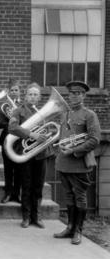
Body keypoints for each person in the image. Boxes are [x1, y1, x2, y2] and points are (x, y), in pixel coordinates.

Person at [54, 81, 101, 245]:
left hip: (79, 163)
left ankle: (79, 231)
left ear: (84, 95)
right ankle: (70, 227)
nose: (73, 96)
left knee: (80, 198)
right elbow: (62, 138)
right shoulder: (65, 115)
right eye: (71, 93)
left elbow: (95, 140)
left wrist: (74, 150)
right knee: (69, 196)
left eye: (77, 93)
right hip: (63, 163)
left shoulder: (89, 115)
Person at [8, 83, 53, 229]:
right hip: (25, 153)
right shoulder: (17, 111)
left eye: (35, 95)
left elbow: (48, 130)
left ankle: (37, 216)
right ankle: (26, 217)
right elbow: (12, 127)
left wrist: (44, 136)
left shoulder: (43, 113)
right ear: (25, 96)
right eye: (30, 94)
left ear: (39, 98)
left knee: (38, 187)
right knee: (26, 186)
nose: (32, 97)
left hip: (41, 153)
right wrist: (31, 134)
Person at [0, 78, 23, 204]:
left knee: (19, 168)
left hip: (19, 140)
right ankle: (8, 193)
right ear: (8, 92)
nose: (14, 92)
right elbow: (1, 121)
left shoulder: (23, 106)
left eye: (16, 90)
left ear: (20, 92)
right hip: (7, 139)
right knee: (7, 168)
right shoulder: (4, 107)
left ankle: (17, 193)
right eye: (11, 90)